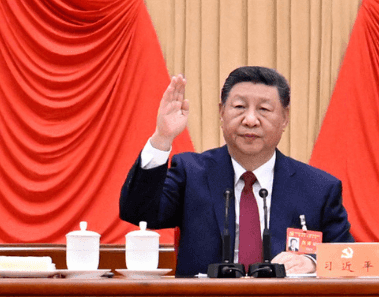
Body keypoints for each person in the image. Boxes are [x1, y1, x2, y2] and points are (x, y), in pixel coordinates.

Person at [120, 66, 353, 277]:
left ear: (285, 118)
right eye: (239, 107)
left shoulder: (319, 188)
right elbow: (139, 212)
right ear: (222, 113)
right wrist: (162, 138)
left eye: (264, 109)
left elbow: (349, 257)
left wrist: (312, 262)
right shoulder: (191, 173)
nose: (250, 120)